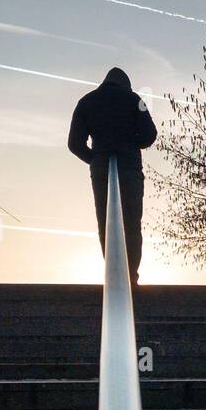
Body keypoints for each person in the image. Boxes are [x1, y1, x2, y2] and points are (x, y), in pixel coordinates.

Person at [68, 67, 157, 283]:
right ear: (126, 85)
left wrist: (96, 159)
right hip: (130, 168)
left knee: (106, 221)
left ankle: (113, 274)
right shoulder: (134, 99)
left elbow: (74, 143)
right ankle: (131, 275)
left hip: (101, 169)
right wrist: (132, 143)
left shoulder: (87, 102)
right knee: (132, 223)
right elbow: (149, 135)